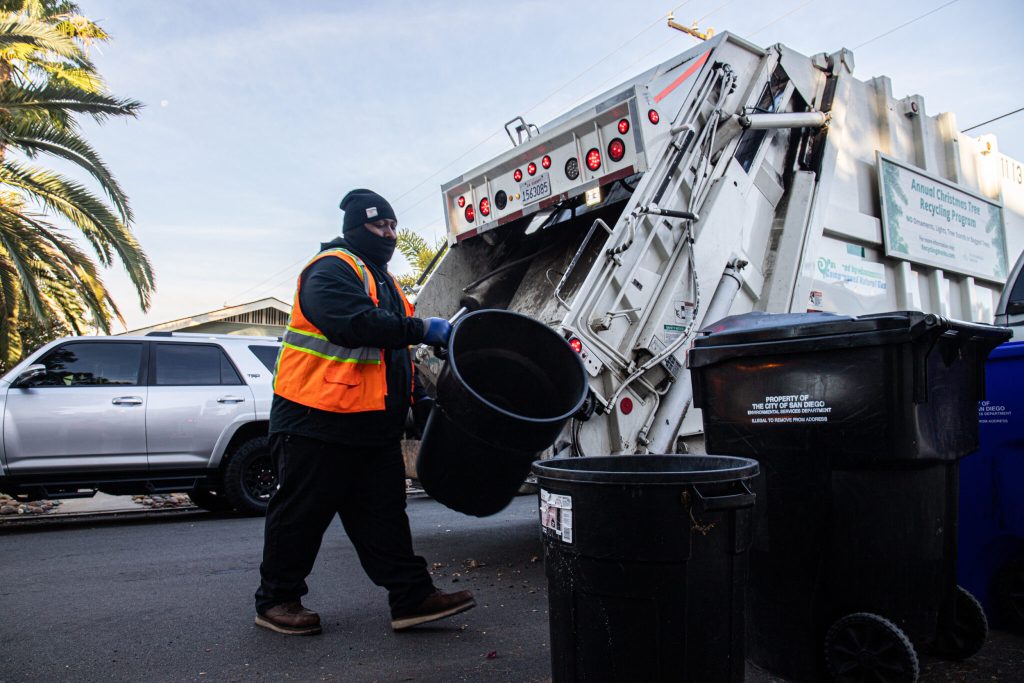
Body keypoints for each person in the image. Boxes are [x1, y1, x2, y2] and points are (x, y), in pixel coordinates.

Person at [254, 189, 475, 636]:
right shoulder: (331, 269)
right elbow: (353, 325)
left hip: (370, 424)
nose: (389, 234)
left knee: (384, 514)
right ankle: (276, 600)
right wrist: (422, 328)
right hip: (315, 417)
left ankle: (411, 597)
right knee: (301, 513)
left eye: (393, 226)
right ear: (355, 229)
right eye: (379, 227)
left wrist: (418, 402)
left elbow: (394, 357)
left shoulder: (386, 282)